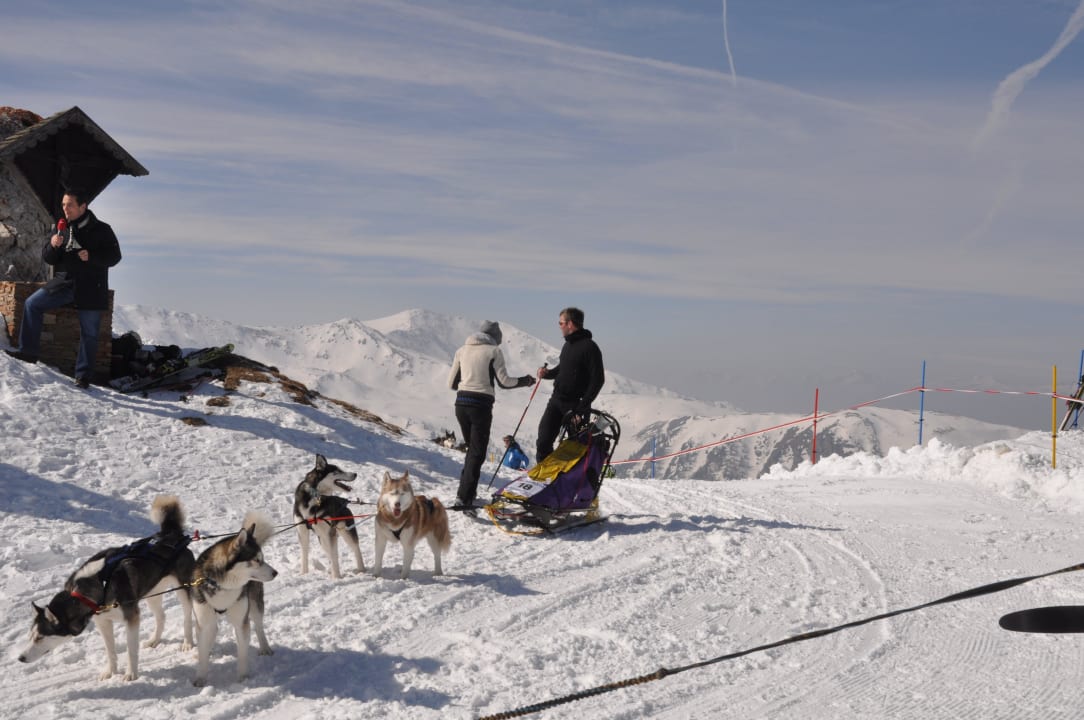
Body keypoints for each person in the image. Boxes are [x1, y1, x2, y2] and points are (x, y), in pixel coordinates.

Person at [5, 189, 121, 388]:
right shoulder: (61, 228)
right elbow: (49, 258)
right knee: (32, 303)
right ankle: (28, 353)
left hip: (92, 287)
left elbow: (115, 257)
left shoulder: (102, 229)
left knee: (90, 333)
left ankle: (83, 376)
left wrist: (92, 257)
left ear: (83, 206)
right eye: (64, 204)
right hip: (64, 283)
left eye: (70, 205)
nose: (65, 209)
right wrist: (52, 245)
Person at [447, 320, 535, 509]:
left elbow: (451, 384)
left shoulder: (462, 350)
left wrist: (467, 385)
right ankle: (463, 497)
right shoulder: (494, 351)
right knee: (476, 453)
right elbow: (505, 382)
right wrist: (525, 381)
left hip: (461, 404)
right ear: (495, 338)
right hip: (481, 407)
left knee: (473, 451)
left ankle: (468, 492)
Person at [535, 307, 605, 462]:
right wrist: (547, 374)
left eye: (560, 323)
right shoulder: (567, 345)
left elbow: (598, 379)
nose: (559, 326)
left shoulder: (590, 347)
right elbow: (562, 368)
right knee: (543, 440)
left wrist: (583, 405)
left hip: (576, 405)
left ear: (570, 324)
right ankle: (544, 477)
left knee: (574, 448)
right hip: (556, 400)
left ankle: (569, 483)